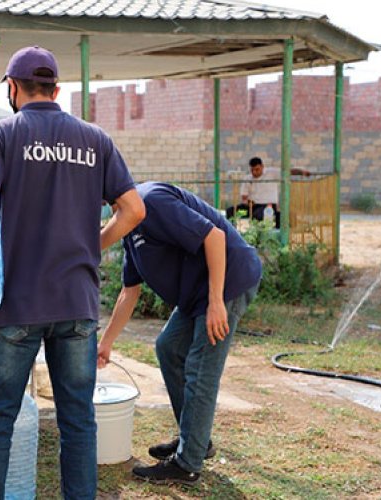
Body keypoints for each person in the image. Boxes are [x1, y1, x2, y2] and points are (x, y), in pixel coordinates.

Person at [0, 46, 145, 499]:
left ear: (13, 89)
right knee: (78, 420)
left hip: (17, 304)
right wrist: (91, 245)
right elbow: (134, 209)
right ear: (56, 90)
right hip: (76, 303)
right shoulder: (96, 139)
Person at [98, 182, 261, 485]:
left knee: (201, 368)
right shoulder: (130, 229)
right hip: (196, 293)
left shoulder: (152, 201)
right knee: (169, 347)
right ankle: (197, 440)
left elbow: (214, 237)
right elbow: (128, 292)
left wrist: (216, 302)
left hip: (227, 280)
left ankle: (188, 463)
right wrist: (105, 343)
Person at [226, 156, 311, 227]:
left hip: (268, 207)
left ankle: (259, 236)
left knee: (258, 215)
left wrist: (302, 172)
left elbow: (289, 172)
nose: (254, 172)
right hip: (251, 207)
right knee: (231, 211)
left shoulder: (272, 173)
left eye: (257, 169)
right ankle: (232, 233)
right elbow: (244, 197)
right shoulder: (248, 179)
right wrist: (247, 202)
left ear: (262, 166)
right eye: (252, 170)